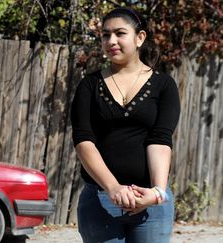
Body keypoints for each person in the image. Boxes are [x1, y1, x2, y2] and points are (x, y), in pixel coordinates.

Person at [71, 7, 181, 243]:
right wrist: (113, 188)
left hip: (151, 204)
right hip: (100, 201)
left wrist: (157, 192)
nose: (111, 41)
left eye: (120, 33)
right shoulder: (89, 85)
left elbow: (160, 139)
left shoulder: (164, 85)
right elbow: (83, 141)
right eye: (105, 35)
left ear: (139, 38)